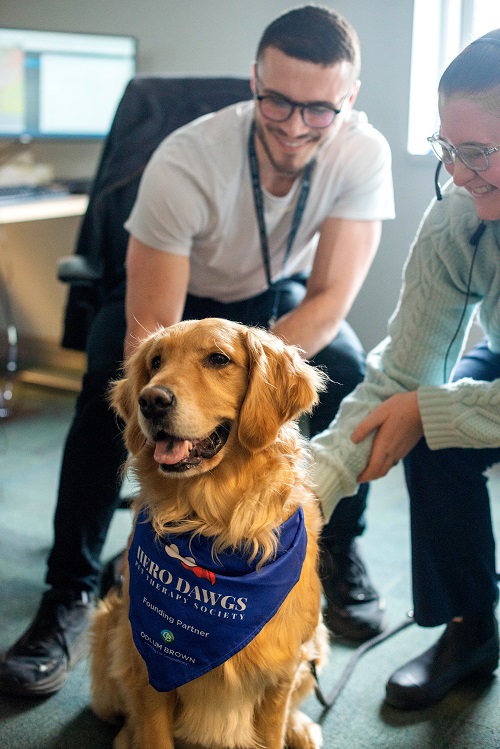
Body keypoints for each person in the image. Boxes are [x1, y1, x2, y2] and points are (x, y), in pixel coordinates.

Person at [0, 5, 394, 698]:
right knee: (113, 389)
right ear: (253, 82)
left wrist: (252, 391)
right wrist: (183, 399)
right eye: (276, 100)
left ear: (349, 100)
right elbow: (152, 329)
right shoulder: (186, 157)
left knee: (354, 370)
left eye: (318, 110)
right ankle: (68, 590)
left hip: (277, 300)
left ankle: (342, 549)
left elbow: (331, 299)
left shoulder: (365, 151)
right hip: (176, 303)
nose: (294, 125)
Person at [311, 29, 500, 711]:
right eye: (447, 150)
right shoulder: (458, 218)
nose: (457, 172)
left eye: (476, 152)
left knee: (435, 413)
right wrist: (309, 490)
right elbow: (403, 375)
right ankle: (470, 626)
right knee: (425, 421)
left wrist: (436, 409)